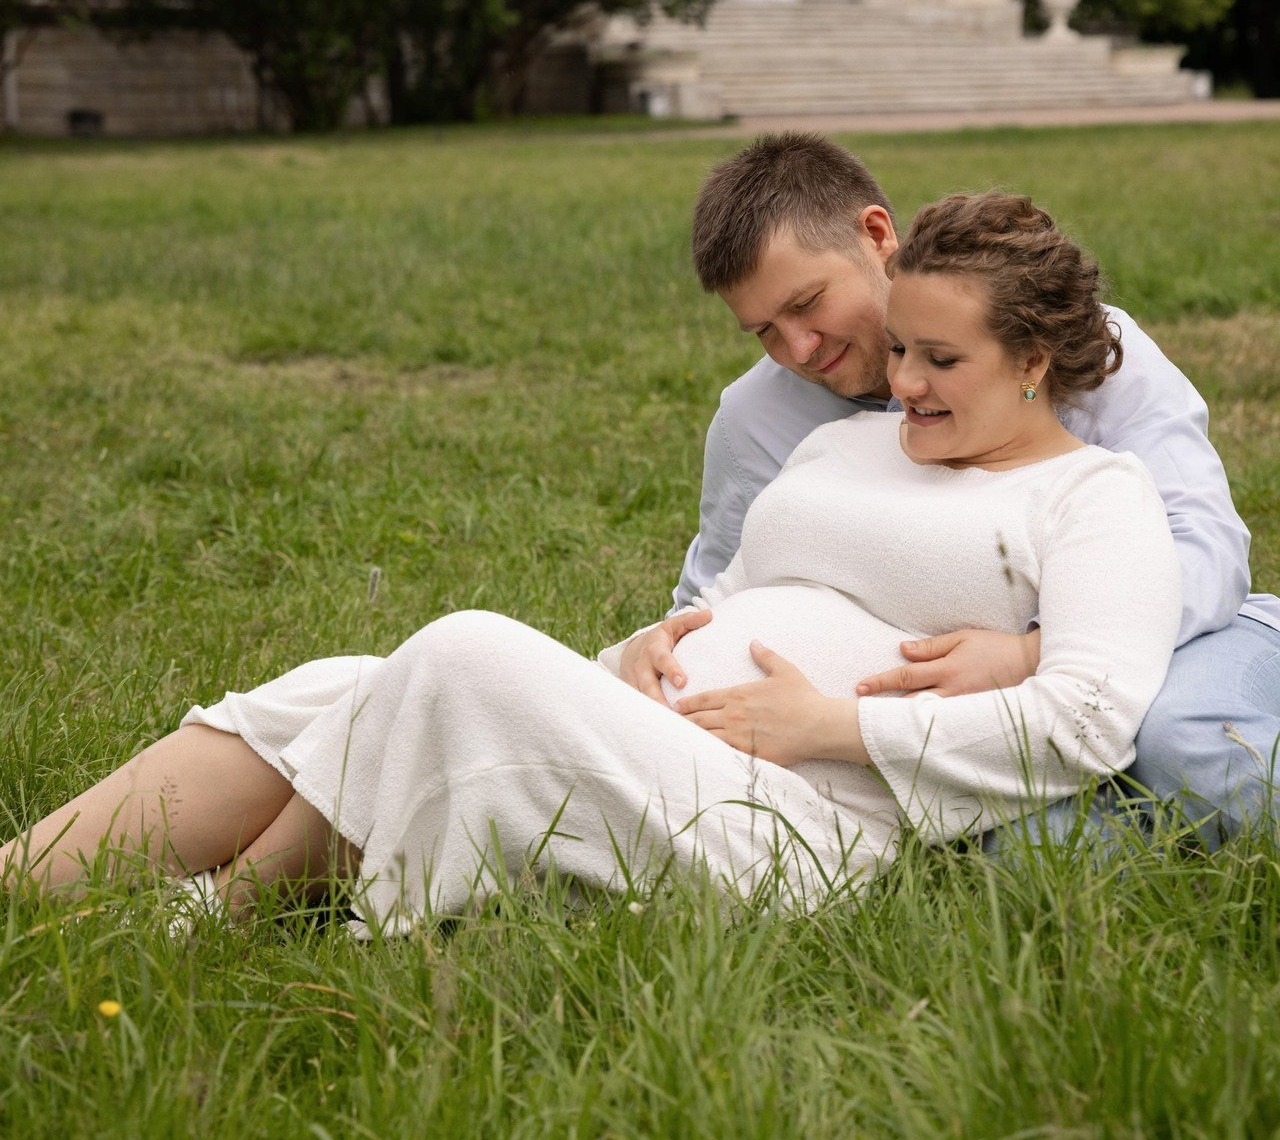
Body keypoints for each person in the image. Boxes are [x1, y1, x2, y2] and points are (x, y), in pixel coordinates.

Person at [1, 192, 1181, 935]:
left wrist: (827, 727)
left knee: (461, 650)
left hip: (803, 830)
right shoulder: (842, 438)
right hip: (678, 745)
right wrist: (632, 657)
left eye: (937, 358)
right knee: (344, 680)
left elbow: (1090, 719)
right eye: (901, 348)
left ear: (1030, 357)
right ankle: (22, 881)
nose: (900, 379)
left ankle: (217, 913)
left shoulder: (1091, 497)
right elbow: (723, 600)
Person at [624, 132, 1280, 847]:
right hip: (942, 709)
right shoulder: (759, 419)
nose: (800, 350)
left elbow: (1205, 542)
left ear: (876, 236)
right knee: (1024, 841)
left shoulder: (1070, 346)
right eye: (765, 333)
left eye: (808, 304)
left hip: (1169, 633)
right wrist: (651, 647)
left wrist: (1029, 653)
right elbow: (719, 583)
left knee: (1191, 746)